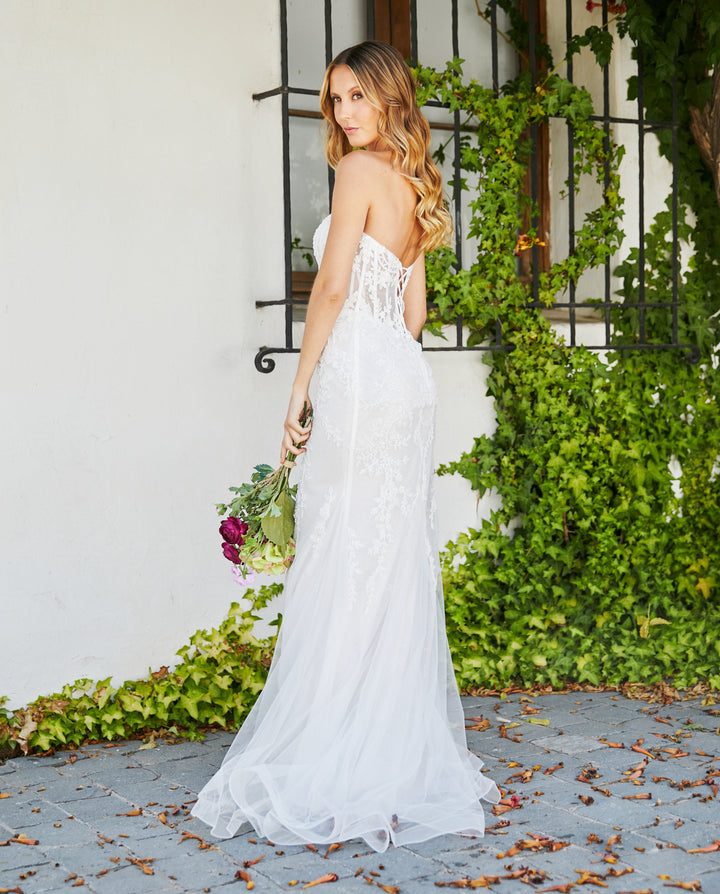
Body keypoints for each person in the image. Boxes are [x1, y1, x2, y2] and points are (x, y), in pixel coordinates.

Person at [192, 40, 499, 853]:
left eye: (357, 96)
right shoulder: (418, 185)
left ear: (390, 98)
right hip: (403, 381)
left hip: (362, 378)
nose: (344, 113)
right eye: (335, 100)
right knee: (387, 551)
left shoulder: (360, 173)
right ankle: (390, 751)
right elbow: (417, 316)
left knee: (343, 550)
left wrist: (302, 387)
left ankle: (338, 753)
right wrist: (375, 369)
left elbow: (331, 288)